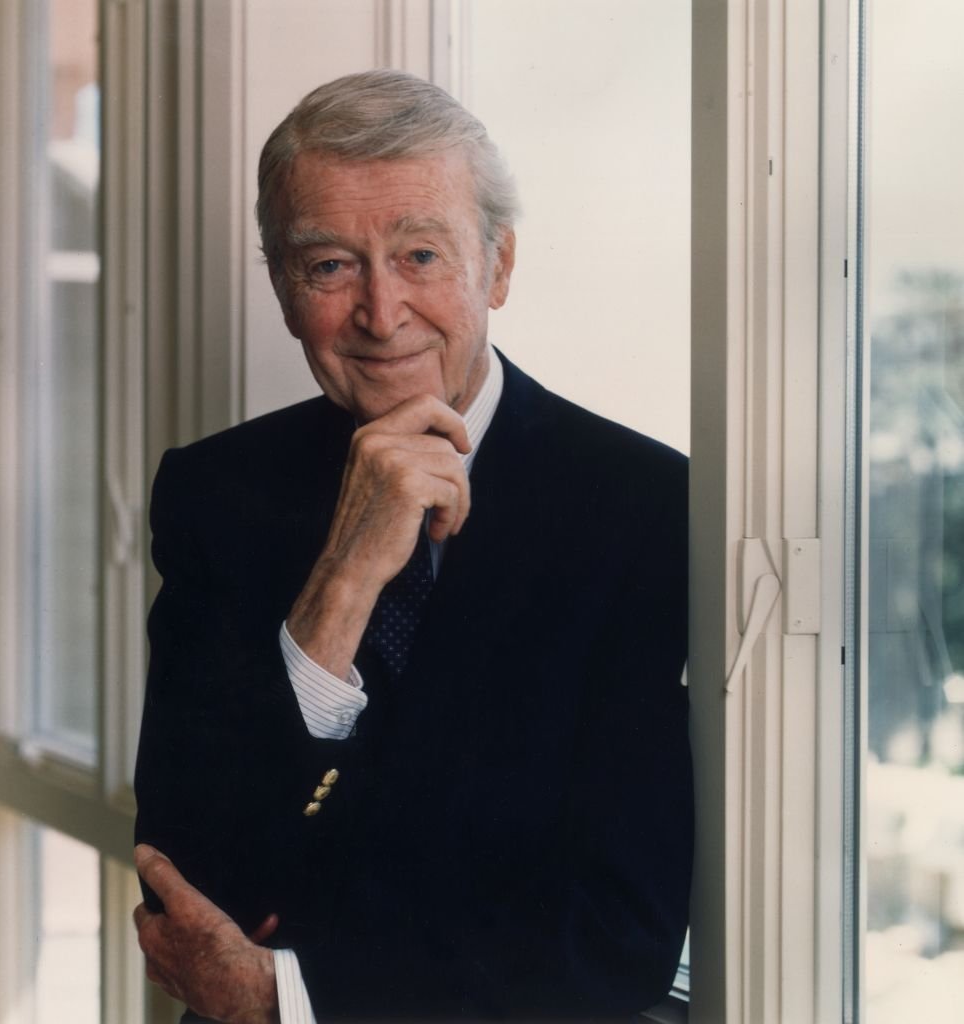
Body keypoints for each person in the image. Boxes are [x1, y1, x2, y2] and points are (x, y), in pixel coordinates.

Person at [133, 69, 691, 1023]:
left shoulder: (647, 507)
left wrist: (287, 995)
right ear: (281, 286)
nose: (382, 313)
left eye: (422, 255)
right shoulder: (213, 493)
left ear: (499, 266)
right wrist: (342, 582)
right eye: (330, 266)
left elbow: (615, 940)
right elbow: (185, 883)